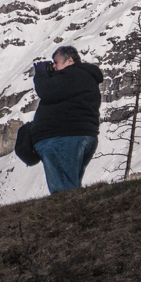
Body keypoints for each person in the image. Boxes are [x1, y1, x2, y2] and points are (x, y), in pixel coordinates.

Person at [28, 45, 103, 192]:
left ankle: (71, 215)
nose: (54, 66)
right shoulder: (80, 77)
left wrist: (41, 74)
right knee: (71, 188)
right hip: (77, 136)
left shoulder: (72, 74)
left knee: (64, 192)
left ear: (69, 60)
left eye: (56, 62)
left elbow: (46, 91)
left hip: (64, 138)